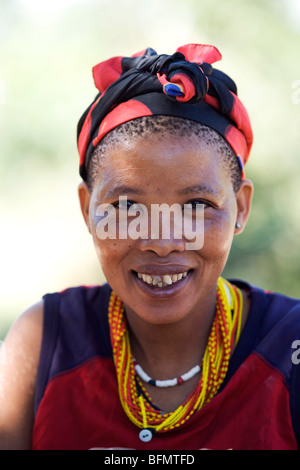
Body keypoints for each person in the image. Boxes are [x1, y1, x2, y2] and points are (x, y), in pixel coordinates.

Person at [0, 43, 299, 451]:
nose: (161, 241)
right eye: (125, 206)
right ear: (88, 210)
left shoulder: (290, 350)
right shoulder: (45, 342)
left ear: (241, 208)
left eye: (196, 206)